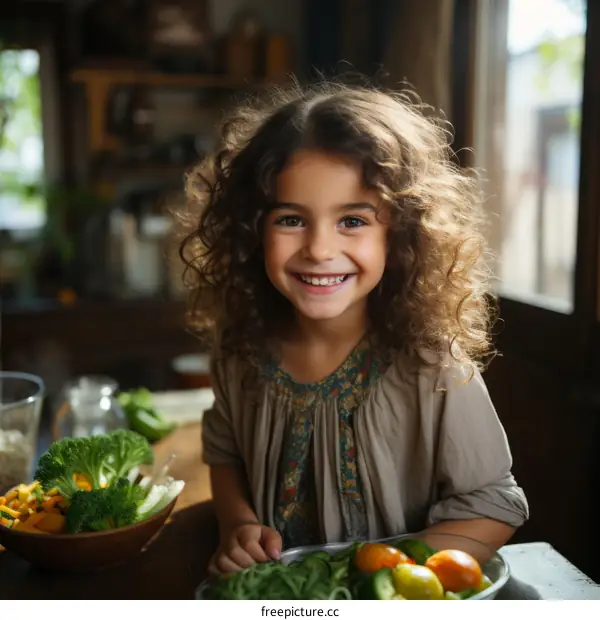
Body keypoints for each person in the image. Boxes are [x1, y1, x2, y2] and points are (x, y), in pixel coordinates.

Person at [178, 79, 529, 576]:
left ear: (402, 234)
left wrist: (391, 577)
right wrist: (235, 525)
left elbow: (495, 504)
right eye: (291, 221)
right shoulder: (240, 351)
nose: (319, 249)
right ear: (252, 229)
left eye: (353, 221)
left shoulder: (432, 367)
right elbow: (224, 449)